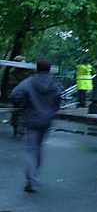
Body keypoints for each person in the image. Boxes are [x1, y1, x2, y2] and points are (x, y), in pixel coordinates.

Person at [9, 58, 62, 193]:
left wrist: (22, 104)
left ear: (36, 69)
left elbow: (15, 95)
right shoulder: (54, 84)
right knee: (39, 147)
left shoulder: (29, 82)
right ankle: (35, 173)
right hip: (46, 120)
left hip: (32, 119)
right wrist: (52, 110)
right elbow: (58, 99)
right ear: (50, 70)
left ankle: (31, 179)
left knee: (31, 149)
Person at [8, 55, 32, 138]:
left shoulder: (14, 70)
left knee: (17, 110)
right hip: (21, 93)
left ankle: (18, 126)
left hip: (18, 93)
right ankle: (18, 126)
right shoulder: (18, 71)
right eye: (23, 61)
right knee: (21, 110)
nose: (24, 62)